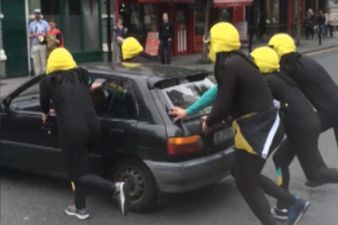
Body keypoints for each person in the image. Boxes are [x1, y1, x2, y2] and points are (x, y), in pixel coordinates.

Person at [173, 22, 309, 225]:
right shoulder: (235, 61)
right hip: (260, 126)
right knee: (241, 172)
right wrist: (189, 111)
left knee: (246, 183)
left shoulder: (229, 65)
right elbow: (218, 92)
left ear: (218, 44)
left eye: (210, 44)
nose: (208, 48)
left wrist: (209, 122)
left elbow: (223, 105)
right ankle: (293, 202)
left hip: (260, 129)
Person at [40, 48, 130, 220]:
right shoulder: (81, 75)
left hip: (72, 131)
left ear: (51, 64)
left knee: (76, 175)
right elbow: (83, 91)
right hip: (93, 126)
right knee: (81, 167)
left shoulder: (47, 82)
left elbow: (44, 105)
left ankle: (115, 188)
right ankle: (80, 208)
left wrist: (45, 114)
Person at [251, 46, 338, 220]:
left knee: (315, 172)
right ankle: (284, 204)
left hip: (304, 126)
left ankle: (286, 203)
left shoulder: (274, 79)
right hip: (307, 122)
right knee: (281, 160)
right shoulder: (290, 71)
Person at [269, 33, 338, 181]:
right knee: (303, 140)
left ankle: (315, 174)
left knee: (302, 136)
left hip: (330, 111)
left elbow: (277, 82)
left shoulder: (290, 67)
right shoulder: (301, 61)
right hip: (331, 108)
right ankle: (315, 174)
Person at [28, 9, 49, 75]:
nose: (37, 16)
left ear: (40, 15)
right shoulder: (32, 24)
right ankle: (38, 76)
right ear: (34, 15)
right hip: (35, 44)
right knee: (36, 61)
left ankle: (45, 74)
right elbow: (29, 34)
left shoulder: (45, 23)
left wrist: (43, 34)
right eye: (36, 14)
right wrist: (34, 35)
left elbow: (49, 33)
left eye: (38, 14)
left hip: (43, 43)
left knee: (43, 60)